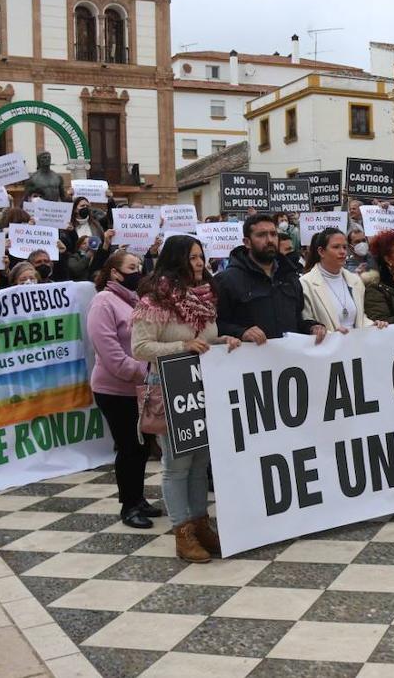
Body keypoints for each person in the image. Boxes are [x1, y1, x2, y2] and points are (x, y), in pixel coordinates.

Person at [132, 236, 240, 562]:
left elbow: (204, 340)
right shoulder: (155, 301)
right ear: (177, 259)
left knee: (200, 462)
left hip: (202, 387)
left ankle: (201, 523)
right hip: (169, 387)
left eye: (201, 256)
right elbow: (140, 348)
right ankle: (183, 532)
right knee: (177, 465)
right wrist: (182, 347)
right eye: (192, 257)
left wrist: (224, 340)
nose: (199, 262)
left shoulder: (204, 298)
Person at [89, 250, 159, 529]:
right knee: (128, 447)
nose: (138, 271)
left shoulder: (135, 302)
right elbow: (110, 353)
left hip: (140, 388)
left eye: (140, 266)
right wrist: (146, 371)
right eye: (132, 267)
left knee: (142, 447)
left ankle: (138, 497)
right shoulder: (103, 302)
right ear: (115, 273)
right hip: (114, 389)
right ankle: (128, 505)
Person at [216, 214, 326, 345]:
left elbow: (297, 320)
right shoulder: (227, 280)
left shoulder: (290, 276)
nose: (269, 240)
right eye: (261, 235)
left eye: (273, 234)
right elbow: (216, 326)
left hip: (288, 360)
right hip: (249, 361)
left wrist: (312, 327)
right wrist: (241, 332)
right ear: (247, 242)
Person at [301, 228, 387, 332]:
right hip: (327, 346)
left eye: (344, 247)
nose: (342, 252)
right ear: (321, 252)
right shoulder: (305, 283)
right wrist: (332, 336)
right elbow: (306, 323)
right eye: (336, 247)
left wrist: (373, 325)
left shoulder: (355, 280)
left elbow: (360, 318)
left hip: (357, 344)